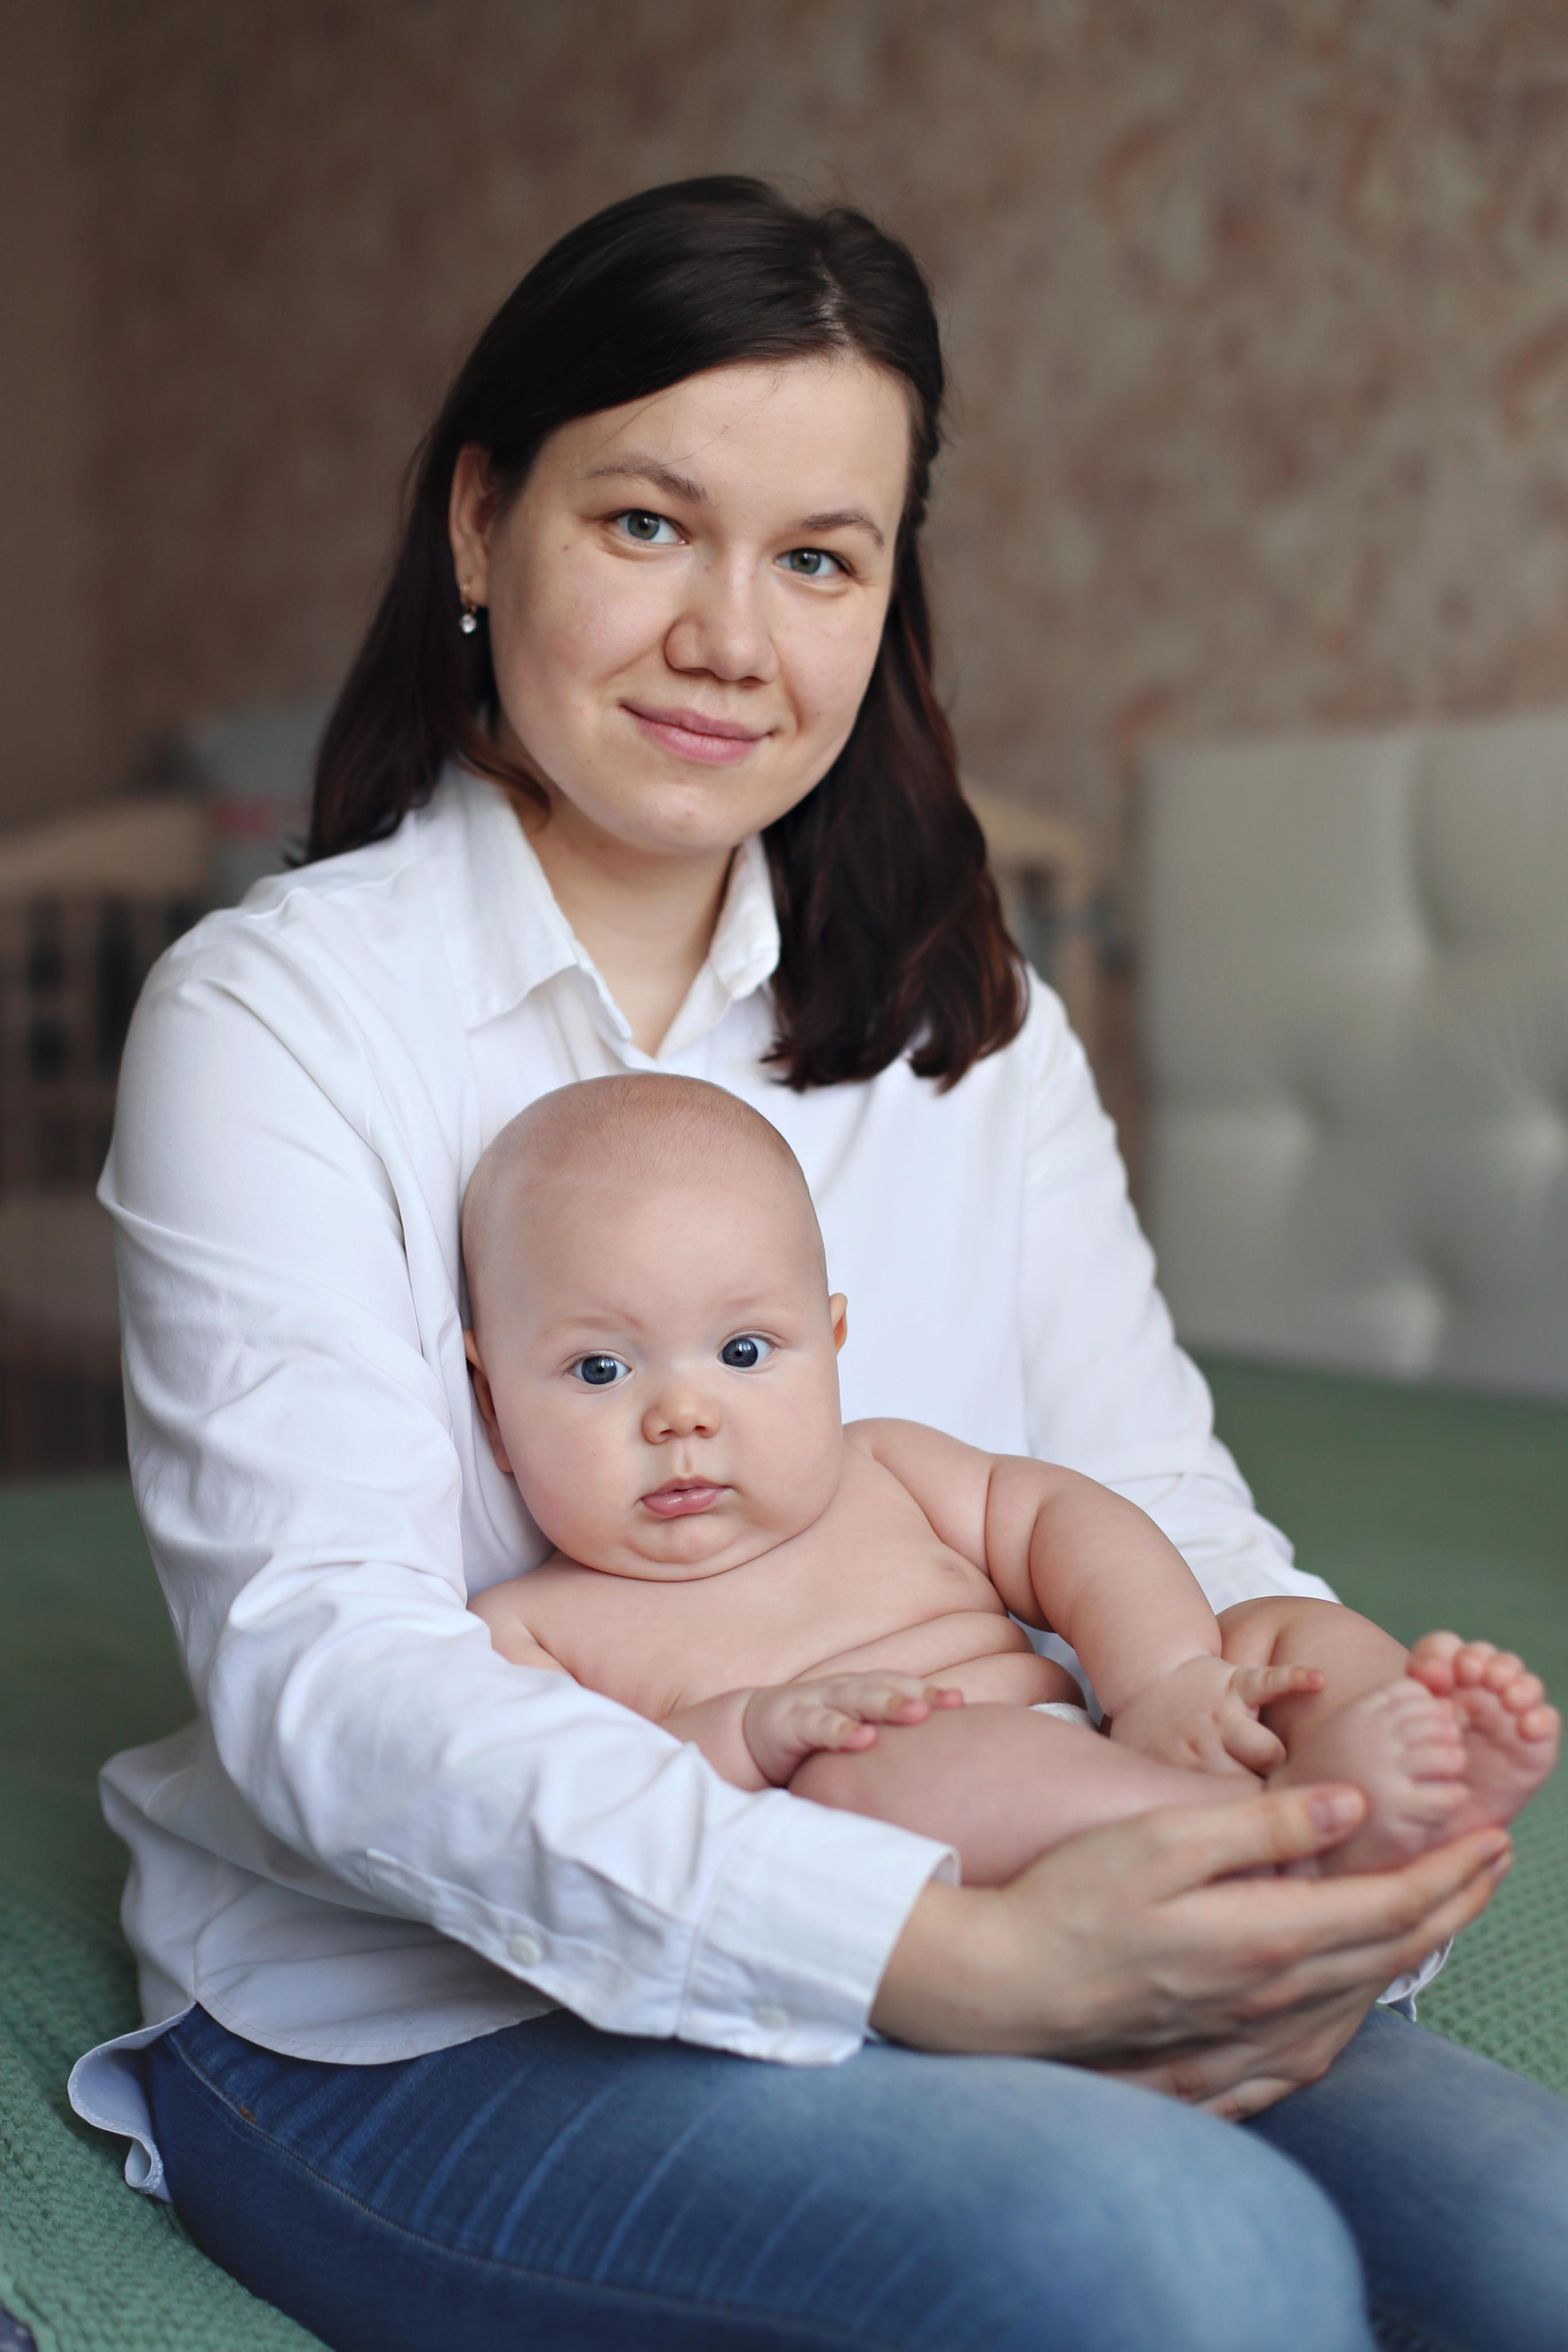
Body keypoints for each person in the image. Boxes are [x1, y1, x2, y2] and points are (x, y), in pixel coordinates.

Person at [67, 176, 1568, 2352]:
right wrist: (914, 1958)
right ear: (482, 526)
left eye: (820, 558)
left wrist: (1320, 1762)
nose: (732, 643)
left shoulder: (971, 1017)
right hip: (413, 2013)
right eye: (649, 525)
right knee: (1192, 2265)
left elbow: (1157, 1494)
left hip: (1025, 1871)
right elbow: (330, 1680)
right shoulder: (280, 1013)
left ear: (886, 601)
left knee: (1536, 2244)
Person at [463, 1072, 1558, 1883]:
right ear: (492, 1408)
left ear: (833, 1342)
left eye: (745, 1352)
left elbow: (1067, 1521)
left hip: (1117, 1738)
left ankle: (1380, 1779)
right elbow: (579, 1810)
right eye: (600, 1368)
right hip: (960, 1859)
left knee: (1278, 1629)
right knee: (864, 1778)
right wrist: (747, 1733)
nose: (683, 1415)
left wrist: (1164, 1675)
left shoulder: (884, 1465)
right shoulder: (530, 1629)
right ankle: (1270, 1850)